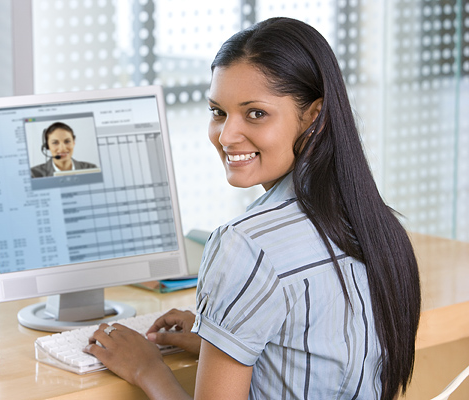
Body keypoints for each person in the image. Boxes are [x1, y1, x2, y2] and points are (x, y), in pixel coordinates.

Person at [84, 17, 421, 400]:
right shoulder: (378, 226)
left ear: (314, 116)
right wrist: (220, 335)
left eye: (255, 113)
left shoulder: (244, 244)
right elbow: (324, 355)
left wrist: (146, 367)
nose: (226, 136)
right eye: (218, 112)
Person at [31, 122, 97, 177]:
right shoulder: (34, 175)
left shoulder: (91, 169)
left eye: (67, 141)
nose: (62, 148)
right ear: (47, 146)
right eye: (55, 142)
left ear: (73, 143)